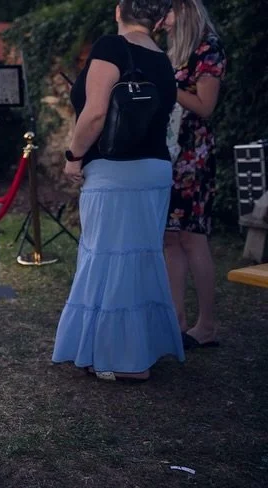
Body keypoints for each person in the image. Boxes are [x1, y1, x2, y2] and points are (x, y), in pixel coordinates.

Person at [52, 0, 184, 382]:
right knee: (141, 260)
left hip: (115, 173)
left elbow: (95, 113)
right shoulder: (162, 58)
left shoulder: (111, 47)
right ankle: (136, 350)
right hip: (155, 171)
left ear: (119, 10)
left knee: (108, 261)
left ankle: (121, 359)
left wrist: (73, 155)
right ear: (158, 19)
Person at [162, 0, 226, 350]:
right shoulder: (181, 51)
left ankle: (207, 324)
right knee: (171, 237)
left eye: (168, 13)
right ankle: (177, 318)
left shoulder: (209, 49)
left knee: (193, 238)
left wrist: (168, 86)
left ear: (184, 10)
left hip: (194, 157)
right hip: (173, 153)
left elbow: (205, 106)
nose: (163, 22)